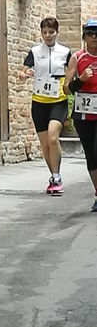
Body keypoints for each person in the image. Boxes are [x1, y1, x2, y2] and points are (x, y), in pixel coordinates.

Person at [22, 17, 71, 194]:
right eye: (44, 32)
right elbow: (24, 70)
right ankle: (54, 176)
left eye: (51, 32)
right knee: (44, 144)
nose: (48, 35)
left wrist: (70, 85)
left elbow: (71, 71)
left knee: (52, 138)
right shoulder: (35, 51)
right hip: (39, 102)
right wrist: (26, 73)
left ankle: (56, 176)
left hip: (58, 101)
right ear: (41, 33)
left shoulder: (65, 52)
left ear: (57, 32)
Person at [64, 18, 97, 212]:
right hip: (84, 114)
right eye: (90, 34)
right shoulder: (77, 58)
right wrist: (81, 80)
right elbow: (66, 89)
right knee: (91, 155)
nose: (94, 38)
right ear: (84, 37)